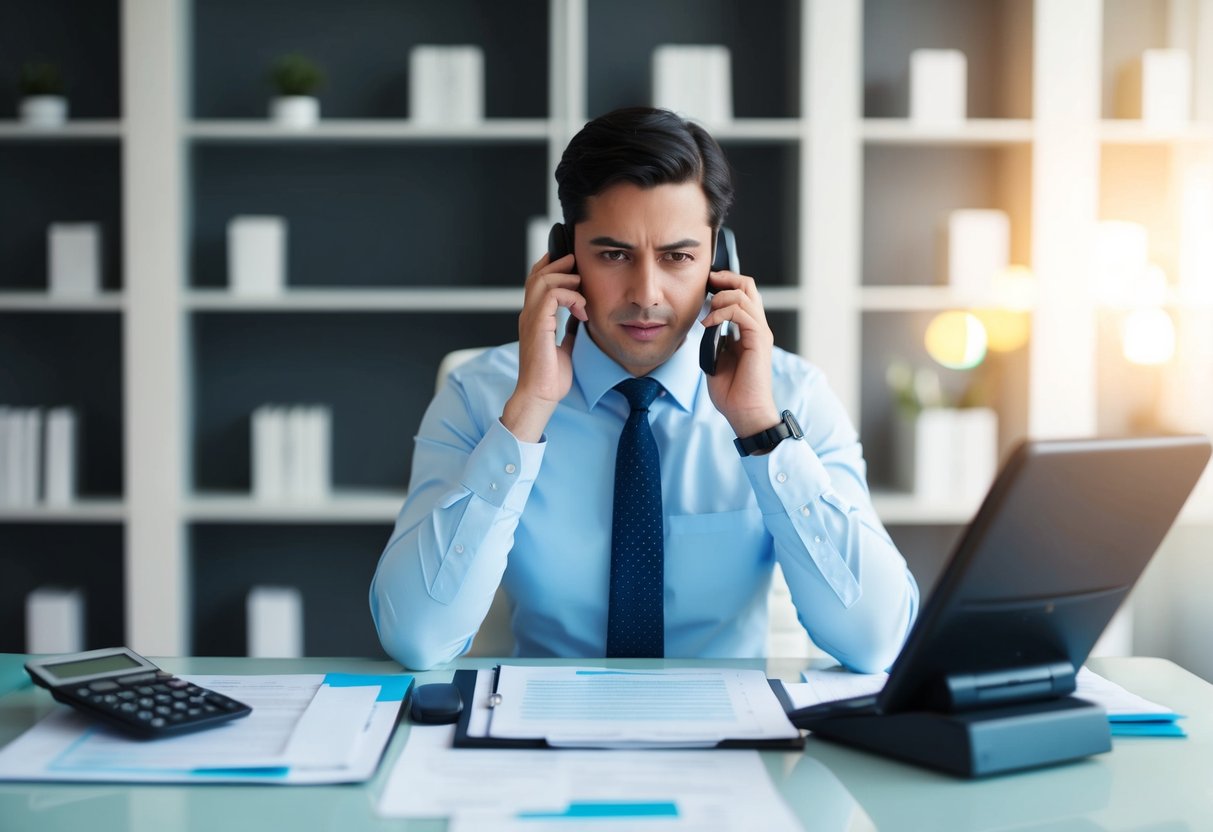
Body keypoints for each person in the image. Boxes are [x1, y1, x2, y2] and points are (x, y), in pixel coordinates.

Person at [370, 107, 918, 671]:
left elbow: (876, 642)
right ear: (565, 258)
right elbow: (417, 636)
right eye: (613, 255)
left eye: (678, 257)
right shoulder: (478, 395)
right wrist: (528, 412)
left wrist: (761, 429)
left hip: (734, 741)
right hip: (541, 733)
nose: (647, 293)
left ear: (719, 263)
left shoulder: (792, 397)